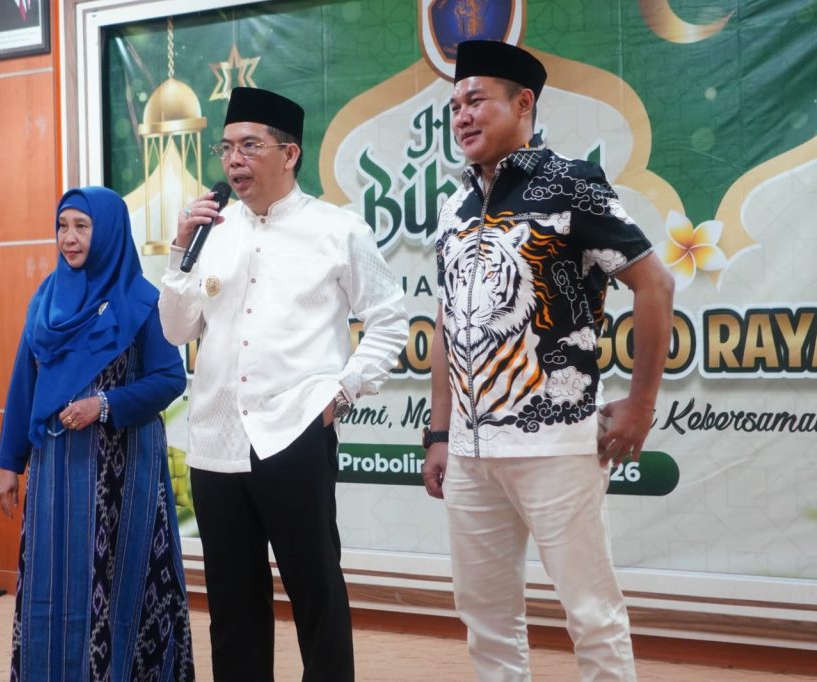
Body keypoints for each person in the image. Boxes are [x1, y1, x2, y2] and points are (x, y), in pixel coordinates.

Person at [421, 40, 674, 681]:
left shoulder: (571, 184)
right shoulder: (454, 206)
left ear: (523, 103)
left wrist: (642, 404)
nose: (462, 116)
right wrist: (439, 433)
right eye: (455, 106)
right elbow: (448, 323)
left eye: (476, 100)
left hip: (556, 444)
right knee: (484, 615)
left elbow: (655, 284)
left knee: (590, 613)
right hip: (471, 452)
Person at [158, 86, 408, 682]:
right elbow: (176, 329)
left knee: (315, 590)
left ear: (289, 153)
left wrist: (342, 391)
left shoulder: (337, 230)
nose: (233, 160)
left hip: (295, 432)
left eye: (250, 146)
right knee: (232, 602)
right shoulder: (213, 231)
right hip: (216, 441)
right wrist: (179, 251)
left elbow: (389, 319)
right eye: (226, 148)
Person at [0, 186, 194, 681]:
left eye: (82, 227)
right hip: (56, 474)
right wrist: (8, 464)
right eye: (63, 226)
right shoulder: (47, 301)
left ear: (107, 232)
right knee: (52, 582)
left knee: (120, 585)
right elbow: (24, 383)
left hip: (125, 474)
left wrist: (103, 405)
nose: (69, 237)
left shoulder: (142, 301)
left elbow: (170, 379)